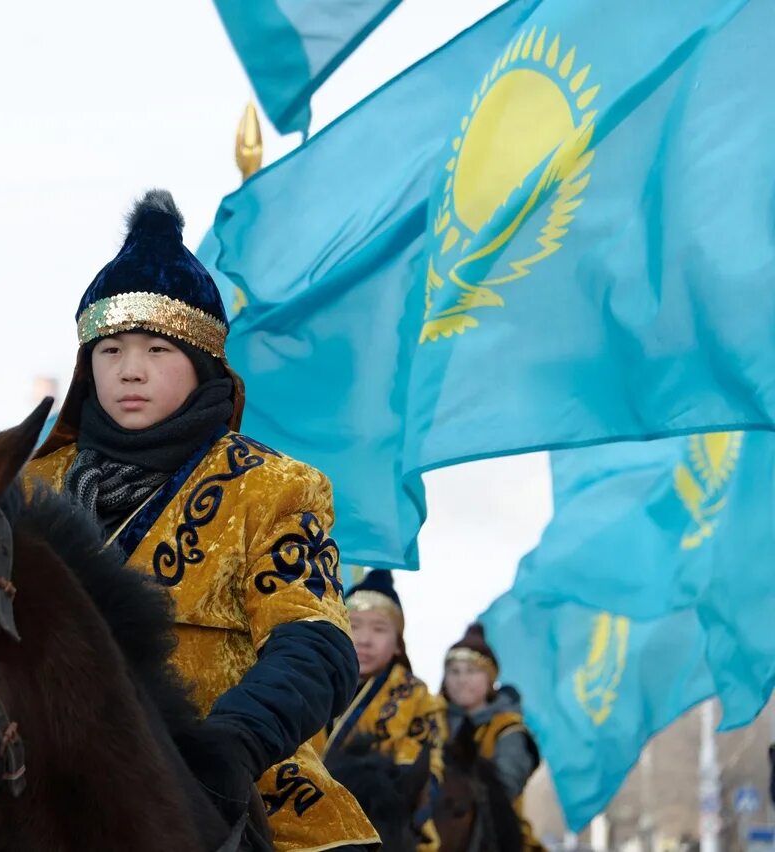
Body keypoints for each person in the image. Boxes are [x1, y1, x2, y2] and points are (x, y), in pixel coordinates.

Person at [27, 189, 377, 850]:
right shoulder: (26, 491)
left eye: (157, 350)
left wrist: (227, 746)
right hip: (48, 791)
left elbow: (318, 647)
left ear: (201, 360)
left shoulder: (275, 488)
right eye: (111, 350)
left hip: (236, 793)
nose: (130, 370)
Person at [322, 570, 446, 852]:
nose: (364, 639)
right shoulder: (310, 682)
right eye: (354, 625)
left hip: (385, 827)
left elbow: (426, 770)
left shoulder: (417, 698)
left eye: (379, 629)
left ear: (398, 644)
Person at [442, 623, 544, 852]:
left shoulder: (508, 730)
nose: (462, 680)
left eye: (471, 671)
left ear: (490, 679)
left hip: (497, 838)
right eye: (454, 671)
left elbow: (504, 788)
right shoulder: (431, 722)